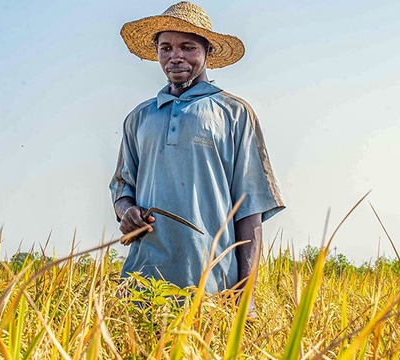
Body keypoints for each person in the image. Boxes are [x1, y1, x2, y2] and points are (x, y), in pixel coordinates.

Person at [109, 2, 285, 310]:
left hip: (212, 286)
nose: (175, 56)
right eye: (166, 48)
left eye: (187, 47)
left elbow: (250, 208)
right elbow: (122, 188)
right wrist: (127, 213)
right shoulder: (138, 118)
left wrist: (247, 297)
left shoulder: (234, 114)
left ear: (207, 52)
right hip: (143, 285)